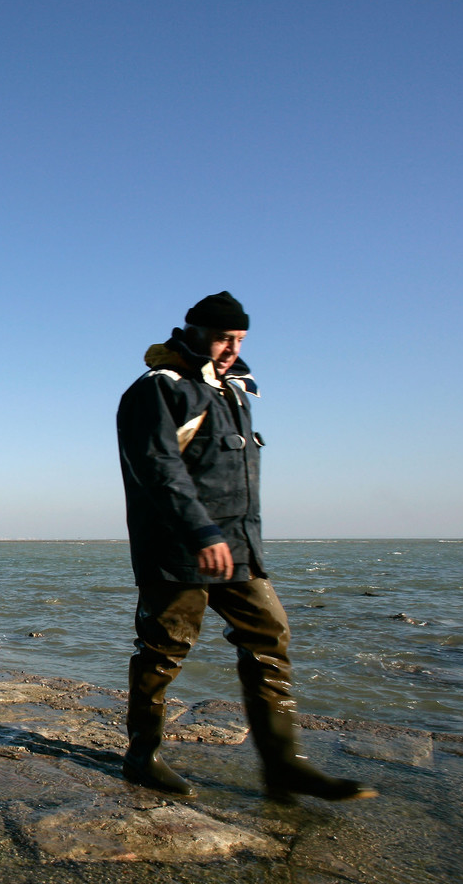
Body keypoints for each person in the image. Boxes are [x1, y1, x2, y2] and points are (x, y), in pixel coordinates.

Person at [115, 291, 374, 801]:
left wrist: (241, 543)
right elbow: (159, 470)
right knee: (163, 651)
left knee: (270, 639)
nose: (231, 348)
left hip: (239, 549)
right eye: (222, 337)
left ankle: (284, 765)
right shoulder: (157, 390)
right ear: (191, 331)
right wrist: (202, 533)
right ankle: (141, 756)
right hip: (179, 550)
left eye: (239, 339)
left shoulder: (234, 392)